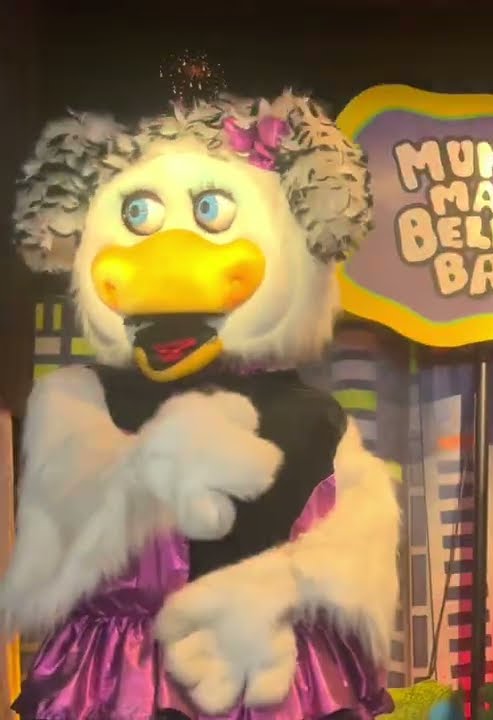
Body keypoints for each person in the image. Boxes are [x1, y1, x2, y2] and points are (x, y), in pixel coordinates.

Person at [1, 92, 399, 719]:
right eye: (139, 215)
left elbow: (354, 558)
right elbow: (59, 555)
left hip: (271, 674)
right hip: (124, 679)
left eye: (210, 210)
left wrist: (284, 585)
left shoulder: (316, 418)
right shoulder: (79, 406)